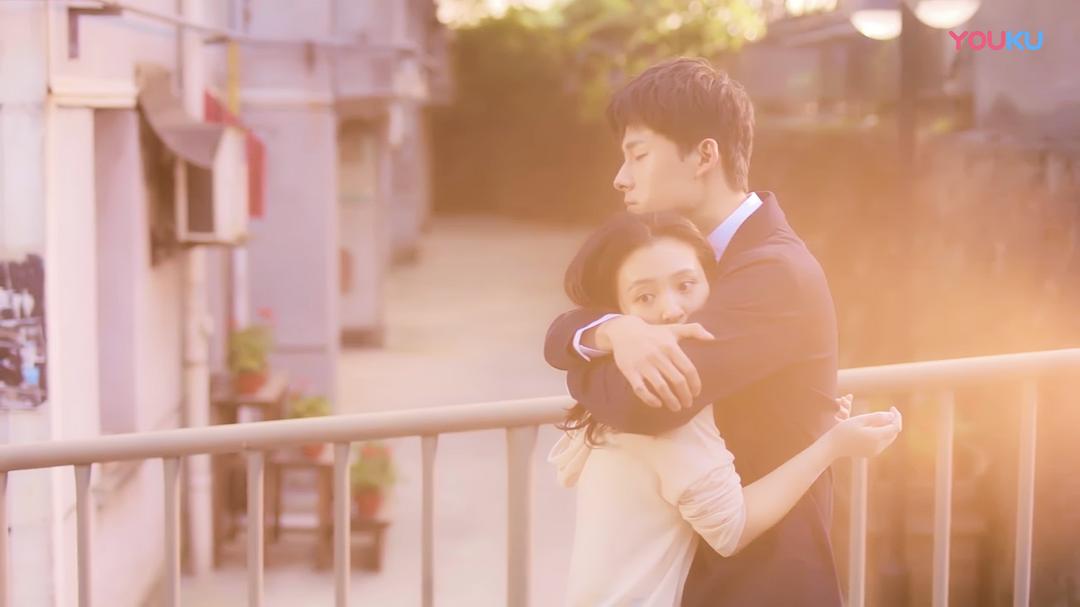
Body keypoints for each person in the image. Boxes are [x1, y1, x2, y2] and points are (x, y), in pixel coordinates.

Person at [544, 58, 847, 605]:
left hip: (764, 577)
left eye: (638, 154)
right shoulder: (693, 263)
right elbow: (566, 328)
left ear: (705, 155)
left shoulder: (773, 272)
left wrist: (599, 353)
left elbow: (645, 403)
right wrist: (613, 331)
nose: (621, 177)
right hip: (706, 570)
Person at [548, 212, 901, 606]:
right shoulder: (665, 399)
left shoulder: (610, 381)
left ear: (713, 284)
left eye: (685, 285)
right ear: (619, 309)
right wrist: (832, 445)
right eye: (645, 297)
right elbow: (732, 531)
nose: (671, 309)